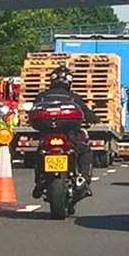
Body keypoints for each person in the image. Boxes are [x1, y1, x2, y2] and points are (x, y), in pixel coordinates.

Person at [32, 64, 94, 195]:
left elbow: (32, 112)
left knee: (38, 153)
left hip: (47, 137)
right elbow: (88, 114)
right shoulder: (74, 97)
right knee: (86, 151)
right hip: (69, 136)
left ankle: (39, 181)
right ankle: (83, 178)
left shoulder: (42, 97)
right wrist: (94, 119)